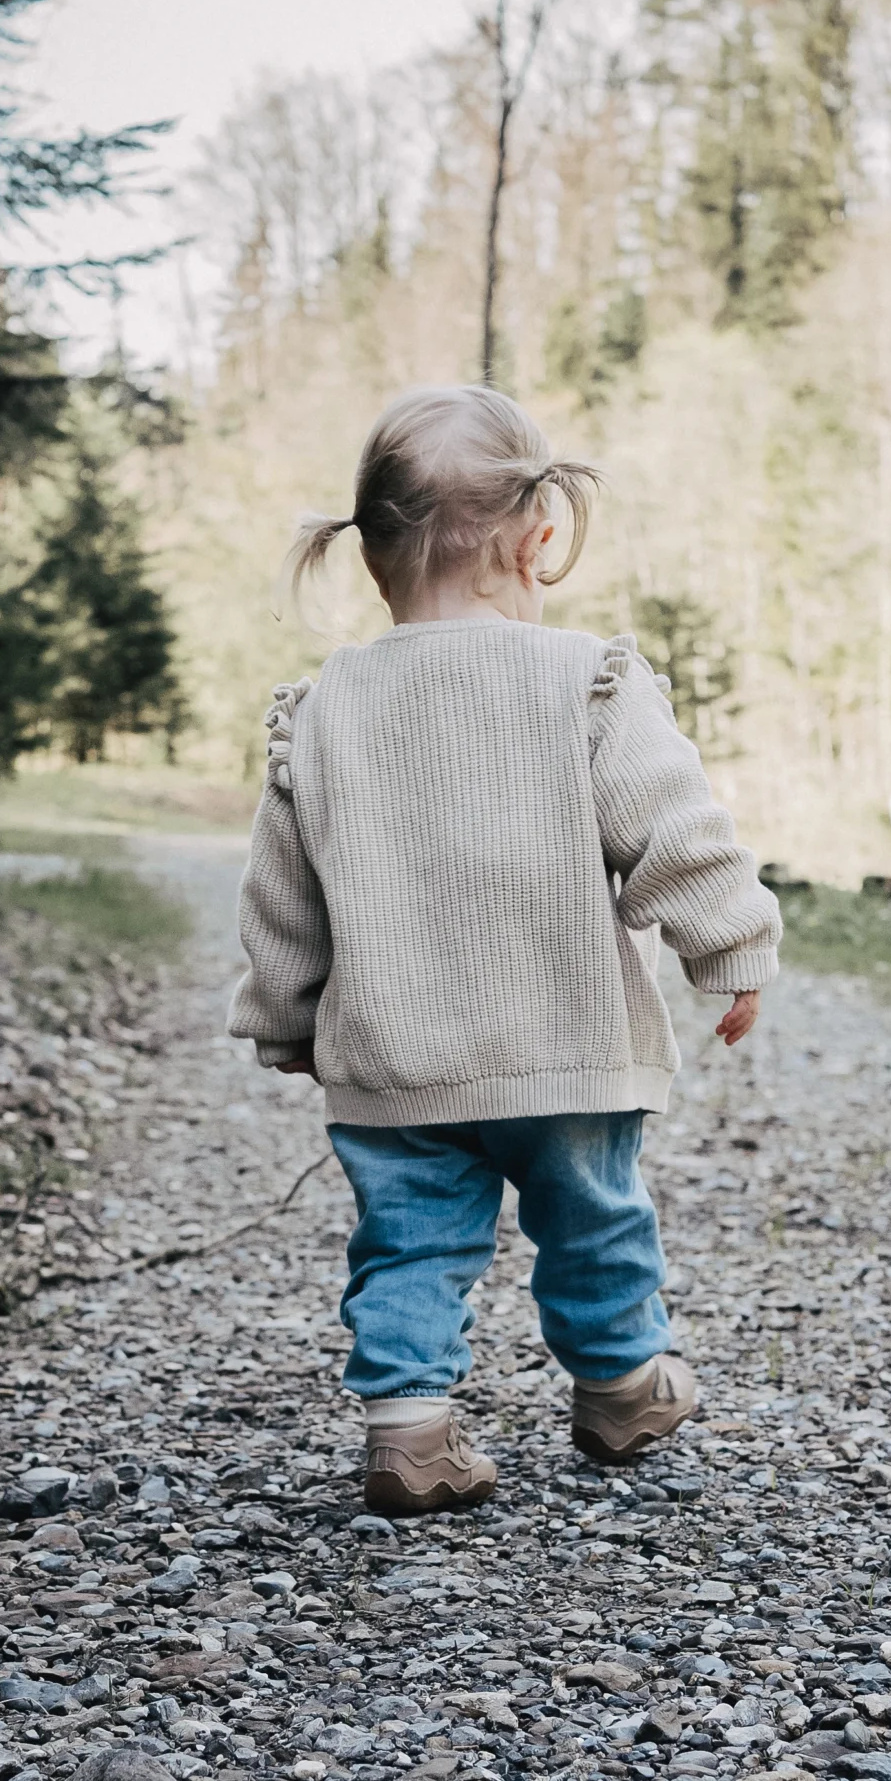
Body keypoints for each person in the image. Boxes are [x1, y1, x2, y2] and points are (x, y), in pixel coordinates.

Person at [228, 385, 781, 1516]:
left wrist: (286, 1015)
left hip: (394, 1059)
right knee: (596, 1217)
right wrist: (731, 943)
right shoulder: (587, 680)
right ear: (538, 542)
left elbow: (284, 889)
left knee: (410, 1243)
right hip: (564, 1039)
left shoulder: (323, 705)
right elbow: (672, 824)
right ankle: (623, 1386)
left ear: (371, 558)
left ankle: (408, 1428)